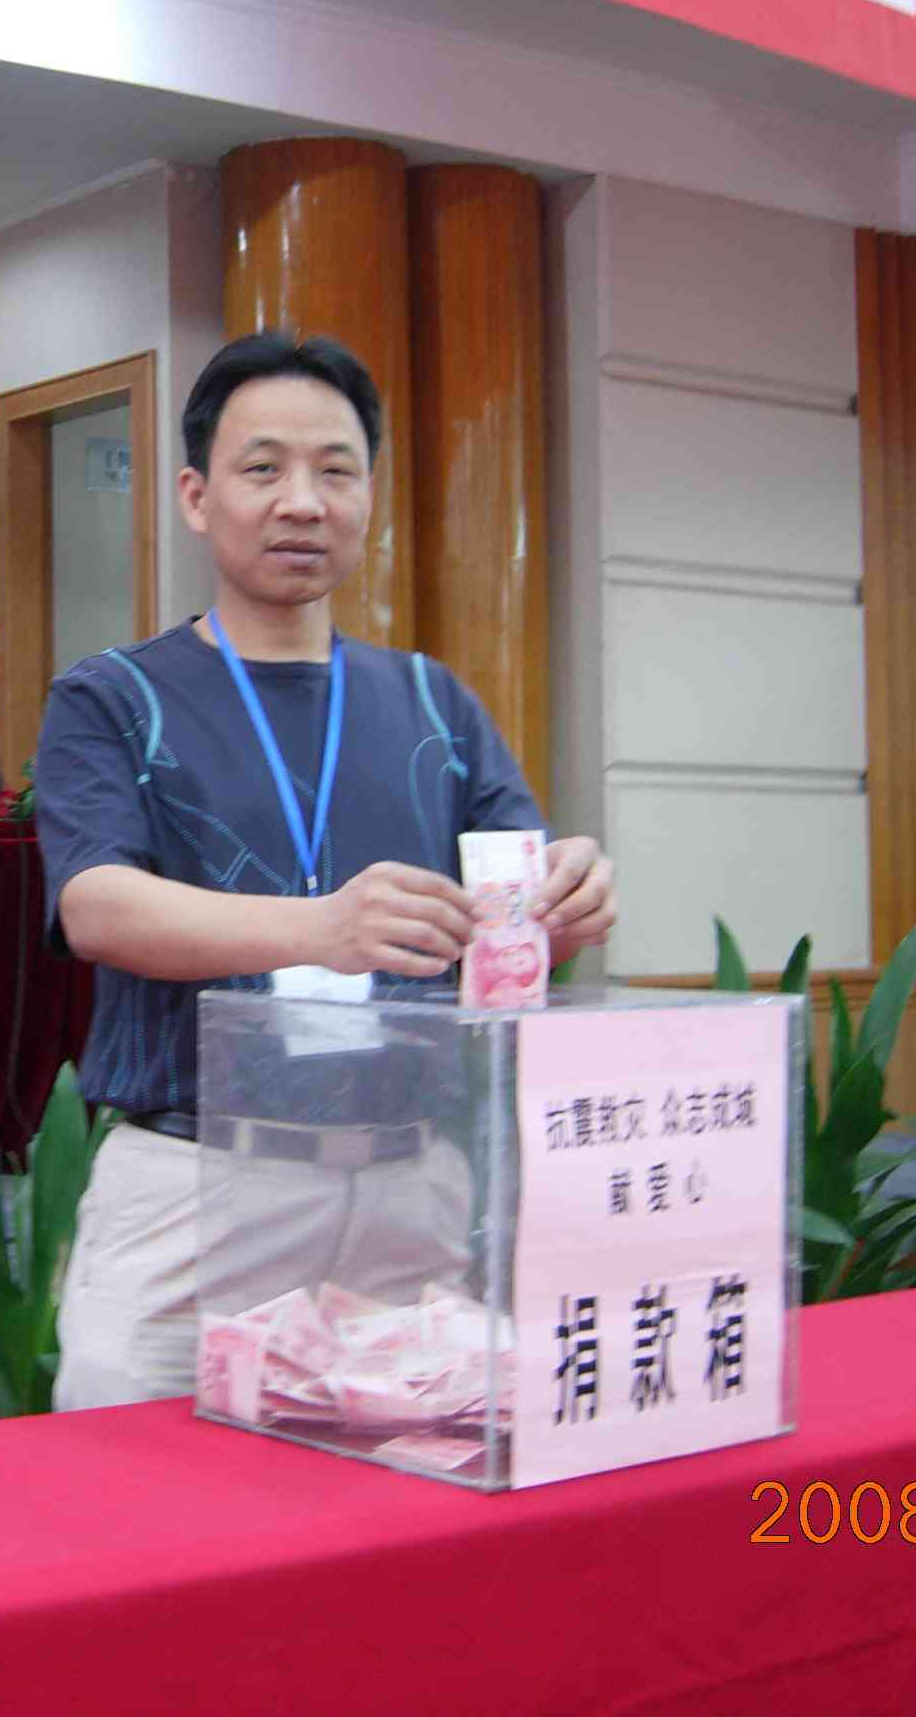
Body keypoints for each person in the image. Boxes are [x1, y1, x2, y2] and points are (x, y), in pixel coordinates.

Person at [31, 330, 617, 1410]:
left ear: (369, 497)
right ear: (197, 497)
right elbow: (98, 907)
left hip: (412, 1188)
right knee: (143, 1495)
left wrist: (567, 894)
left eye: (336, 471)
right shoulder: (112, 697)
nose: (302, 502)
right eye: (263, 469)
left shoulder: (434, 703)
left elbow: (517, 899)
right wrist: (319, 930)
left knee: (403, 1484)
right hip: (197, 1183)